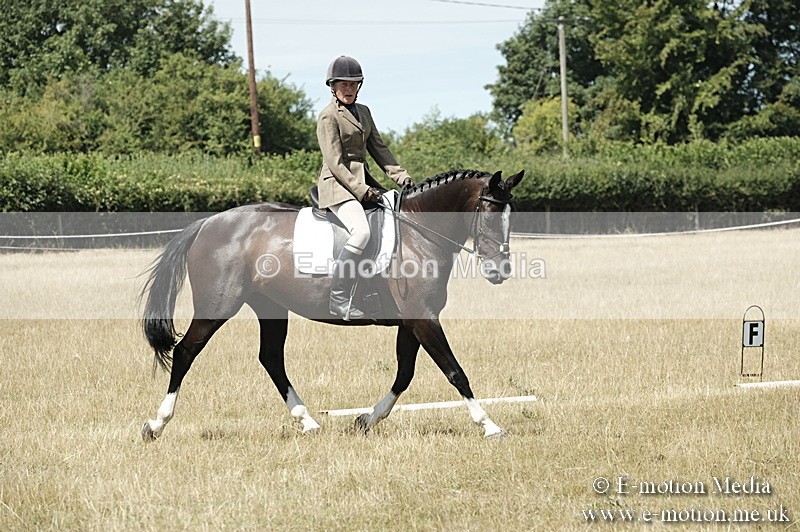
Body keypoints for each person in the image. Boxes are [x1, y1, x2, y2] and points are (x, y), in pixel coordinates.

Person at [316, 55, 413, 320]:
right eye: (343, 84)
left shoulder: (365, 112)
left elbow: (379, 149)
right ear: (333, 87)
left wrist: (401, 176)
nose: (348, 89)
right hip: (337, 186)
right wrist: (361, 190)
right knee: (361, 232)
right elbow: (335, 163)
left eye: (353, 84)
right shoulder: (328, 117)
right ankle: (339, 299)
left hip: (364, 183)